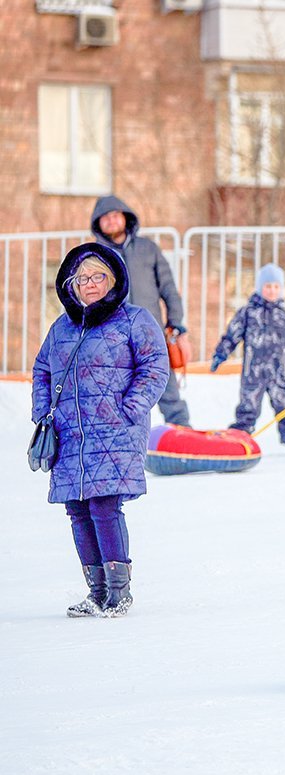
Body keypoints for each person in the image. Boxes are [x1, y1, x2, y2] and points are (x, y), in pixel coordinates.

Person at [32, 243, 169, 618]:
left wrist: (131, 408)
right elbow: (42, 371)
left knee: (104, 505)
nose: (89, 284)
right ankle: (96, 592)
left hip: (115, 431)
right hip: (69, 435)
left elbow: (156, 366)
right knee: (77, 509)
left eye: (98, 276)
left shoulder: (134, 320)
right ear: (70, 285)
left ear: (113, 281)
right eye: (82, 278)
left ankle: (118, 592)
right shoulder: (61, 328)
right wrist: (43, 412)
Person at [91, 195, 191, 427]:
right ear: (98, 224)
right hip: (113, 336)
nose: (111, 221)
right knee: (118, 389)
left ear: (125, 218)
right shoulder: (95, 255)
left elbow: (168, 288)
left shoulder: (148, 249)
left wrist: (175, 322)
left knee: (166, 386)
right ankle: (119, 436)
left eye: (115, 215)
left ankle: (181, 431)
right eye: (105, 218)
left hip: (151, 332)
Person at [209, 264, 285, 454]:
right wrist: (221, 353)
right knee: (248, 408)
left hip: (278, 372)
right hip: (253, 372)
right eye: (268, 286)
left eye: (276, 287)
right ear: (260, 288)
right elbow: (232, 335)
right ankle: (237, 440)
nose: (272, 291)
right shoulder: (248, 313)